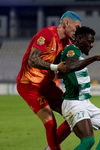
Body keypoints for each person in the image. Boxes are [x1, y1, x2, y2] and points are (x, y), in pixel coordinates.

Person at [16, 11, 82, 150]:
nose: (78, 31)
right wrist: (55, 66)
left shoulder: (67, 44)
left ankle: (50, 148)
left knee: (75, 115)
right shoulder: (46, 34)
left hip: (46, 85)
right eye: (76, 27)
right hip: (29, 85)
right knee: (50, 122)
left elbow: (60, 73)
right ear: (66, 23)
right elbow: (33, 59)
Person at [60, 26, 100, 150]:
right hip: (73, 103)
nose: (91, 45)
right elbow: (71, 65)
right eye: (89, 42)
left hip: (85, 103)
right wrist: (95, 58)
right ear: (79, 38)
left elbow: (66, 70)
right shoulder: (71, 50)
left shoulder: (78, 55)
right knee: (88, 141)